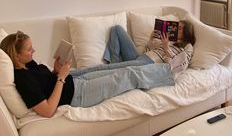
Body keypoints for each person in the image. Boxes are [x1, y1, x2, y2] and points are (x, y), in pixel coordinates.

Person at [0, 31, 174, 118]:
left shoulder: (27, 64)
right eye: (29, 49)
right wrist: (60, 78)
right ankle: (170, 71)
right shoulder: (22, 80)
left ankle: (162, 68)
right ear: (16, 55)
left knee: (113, 68)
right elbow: (47, 110)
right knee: (127, 76)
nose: (34, 50)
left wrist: (56, 70)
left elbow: (45, 82)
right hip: (77, 95)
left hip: (73, 79)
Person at [75, 20, 196, 76]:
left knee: (104, 68)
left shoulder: (187, 46)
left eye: (179, 28)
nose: (176, 30)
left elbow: (178, 67)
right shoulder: (168, 40)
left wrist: (166, 48)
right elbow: (147, 52)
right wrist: (151, 40)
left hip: (148, 63)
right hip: (141, 57)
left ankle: (76, 74)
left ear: (186, 32)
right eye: (176, 27)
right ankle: (116, 64)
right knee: (117, 29)